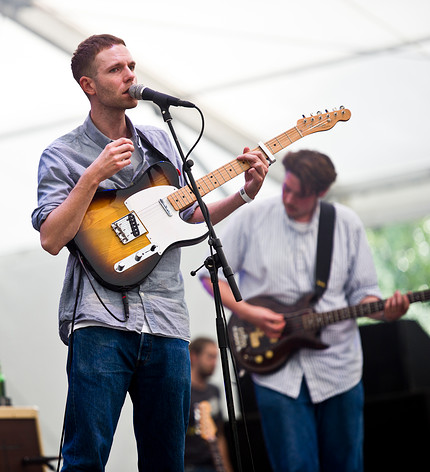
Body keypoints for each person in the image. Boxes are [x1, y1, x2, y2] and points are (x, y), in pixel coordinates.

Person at [31, 34, 269, 471]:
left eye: (131, 66)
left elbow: (188, 216)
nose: (130, 76)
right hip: (100, 320)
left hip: (167, 320)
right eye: (115, 70)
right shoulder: (61, 154)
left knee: (167, 461)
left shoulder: (161, 139)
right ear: (88, 85)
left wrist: (243, 196)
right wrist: (93, 175)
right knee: (85, 457)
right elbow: (51, 238)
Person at [199, 149, 410, 472]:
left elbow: (365, 294)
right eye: (286, 188)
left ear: (321, 193)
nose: (288, 198)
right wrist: (252, 314)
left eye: (300, 194)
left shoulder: (345, 224)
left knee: (346, 466)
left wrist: (386, 311)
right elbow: (210, 279)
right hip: (275, 372)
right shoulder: (252, 218)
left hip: (339, 369)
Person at [185, 337, 232, 472]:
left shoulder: (214, 390)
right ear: (193, 356)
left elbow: (219, 434)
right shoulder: (182, 392)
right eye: (210, 357)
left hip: (213, 464)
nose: (214, 362)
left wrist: (227, 467)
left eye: (216, 357)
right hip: (188, 465)